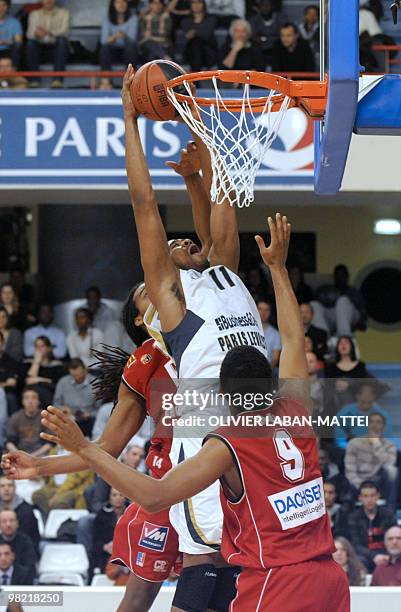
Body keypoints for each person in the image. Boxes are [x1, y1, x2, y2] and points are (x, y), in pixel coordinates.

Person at [39, 214, 350, 611]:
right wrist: (277, 268)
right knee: (146, 592)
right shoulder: (294, 409)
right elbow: (292, 341)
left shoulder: (227, 432)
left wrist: (82, 447)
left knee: (197, 576)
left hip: (238, 529)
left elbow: (211, 245)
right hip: (318, 569)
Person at [117, 65, 267, 611]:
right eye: (175, 245)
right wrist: (130, 122)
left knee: (246, 562)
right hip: (207, 438)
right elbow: (144, 206)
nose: (182, 241)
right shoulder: (174, 303)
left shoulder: (224, 269)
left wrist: (204, 119)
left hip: (255, 431)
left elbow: (222, 208)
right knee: (210, 562)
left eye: (188, 238)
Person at [2, 284, 180, 612]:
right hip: (170, 487)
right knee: (140, 599)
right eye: (146, 290)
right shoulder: (147, 360)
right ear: (141, 319)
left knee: (217, 589)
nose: (159, 287)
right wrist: (40, 467)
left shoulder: (211, 337)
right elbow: (105, 447)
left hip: (216, 479)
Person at [345, 412, 398, 511]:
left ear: (384, 427)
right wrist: (362, 487)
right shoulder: (354, 443)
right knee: (348, 482)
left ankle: (391, 512)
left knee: (393, 471)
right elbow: (350, 470)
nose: (375, 425)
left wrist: (376, 443)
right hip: (357, 482)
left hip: (379, 482)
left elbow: (389, 464)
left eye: (378, 422)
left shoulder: (390, 445)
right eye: (371, 422)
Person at [348, 481, 395, 572]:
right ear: (360, 498)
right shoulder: (354, 517)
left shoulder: (388, 514)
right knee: (359, 560)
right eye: (365, 496)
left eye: (372, 495)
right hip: (365, 556)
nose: (369, 500)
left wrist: (386, 555)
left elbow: (394, 538)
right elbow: (356, 545)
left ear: (378, 496)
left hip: (386, 553)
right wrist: (374, 556)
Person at [312, 264, 367, 336]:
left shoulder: (354, 291)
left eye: (342, 275)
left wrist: (360, 325)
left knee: (342, 301)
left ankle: (344, 337)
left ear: (347, 276)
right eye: (338, 275)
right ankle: (323, 337)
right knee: (314, 304)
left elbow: (362, 311)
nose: (340, 278)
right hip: (333, 317)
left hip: (351, 317)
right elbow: (318, 299)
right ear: (334, 277)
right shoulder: (326, 290)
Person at [25, 0, 70, 89]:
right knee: (30, 43)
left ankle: (57, 80)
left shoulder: (64, 13)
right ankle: (34, 80)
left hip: (57, 49)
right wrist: (36, 34)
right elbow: (29, 34)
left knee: (62, 41)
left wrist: (48, 32)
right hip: (40, 48)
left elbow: (64, 32)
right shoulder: (34, 14)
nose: (48, 1)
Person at [334, 382, 390, 450]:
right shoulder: (344, 413)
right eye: (363, 402)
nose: (366, 406)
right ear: (358, 397)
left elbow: (387, 439)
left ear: (374, 398)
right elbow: (340, 440)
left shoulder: (382, 415)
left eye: (370, 402)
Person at [99, 0, 139, 91]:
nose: (121, 4)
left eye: (123, 2)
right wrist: (116, 36)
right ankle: (106, 80)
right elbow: (103, 41)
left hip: (128, 51)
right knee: (105, 48)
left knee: (131, 46)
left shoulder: (133, 18)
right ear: (113, 5)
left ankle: (131, 80)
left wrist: (122, 36)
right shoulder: (107, 19)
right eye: (118, 2)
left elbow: (132, 39)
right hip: (112, 51)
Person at [53, 359, 98, 436]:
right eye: (74, 376)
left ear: (85, 370)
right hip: (69, 417)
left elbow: (101, 409)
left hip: (89, 419)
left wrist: (90, 414)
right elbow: (56, 403)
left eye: (79, 375)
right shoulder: (63, 382)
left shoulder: (96, 383)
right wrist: (62, 408)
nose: (77, 378)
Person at [6, 387, 52, 457]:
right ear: (22, 401)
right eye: (27, 398)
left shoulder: (44, 416)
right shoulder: (15, 417)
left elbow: (49, 443)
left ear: (38, 401)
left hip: (41, 455)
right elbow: (9, 442)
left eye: (33, 398)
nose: (30, 401)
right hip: (20, 455)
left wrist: (33, 457)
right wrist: (20, 455)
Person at [20, 336, 65, 407]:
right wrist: (36, 362)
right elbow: (29, 381)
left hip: (49, 394)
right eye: (36, 346)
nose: (39, 349)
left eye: (42, 346)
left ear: (49, 348)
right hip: (31, 395)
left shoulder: (56, 365)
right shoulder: (27, 363)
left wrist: (39, 379)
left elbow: (56, 384)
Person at [0, 476, 40, 554]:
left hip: (22, 553)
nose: (6, 489)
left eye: (9, 485)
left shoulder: (26, 511)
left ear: (15, 488)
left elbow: (26, 538)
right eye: (2, 486)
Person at [92, 488, 127, 573]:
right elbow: (95, 540)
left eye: (121, 495)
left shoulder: (133, 513)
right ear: (109, 498)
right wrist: (105, 547)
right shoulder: (101, 515)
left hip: (127, 551)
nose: (118, 498)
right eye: (114, 495)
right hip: (107, 553)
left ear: (125, 497)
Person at [0, 510, 37, 580]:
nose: (8, 524)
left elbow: (30, 568)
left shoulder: (26, 542)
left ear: (17, 523)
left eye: (11, 521)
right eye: (4, 521)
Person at [250, 0, 288, 67]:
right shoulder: (254, 19)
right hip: (259, 49)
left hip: (277, 48)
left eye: (267, 5)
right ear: (259, 7)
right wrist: (271, 39)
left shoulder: (281, 18)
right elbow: (252, 36)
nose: (265, 8)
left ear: (272, 7)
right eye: (263, 6)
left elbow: (283, 35)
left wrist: (263, 39)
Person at [181, 0, 217, 72]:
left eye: (199, 2)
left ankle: (195, 77)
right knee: (195, 43)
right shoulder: (185, 21)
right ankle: (196, 75)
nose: (196, 5)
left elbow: (207, 34)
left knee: (196, 41)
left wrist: (194, 32)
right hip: (190, 53)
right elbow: (186, 38)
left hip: (207, 53)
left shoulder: (211, 19)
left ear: (203, 4)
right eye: (193, 2)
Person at [257, 299, 281, 368]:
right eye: (260, 309)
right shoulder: (249, 329)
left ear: (270, 312)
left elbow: (275, 359)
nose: (263, 313)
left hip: (268, 370)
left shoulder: (276, 334)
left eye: (267, 310)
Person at [0, 330, 18, 415]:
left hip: (5, 393)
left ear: (3, 343)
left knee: (11, 398)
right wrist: (4, 383)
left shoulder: (10, 361)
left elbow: (12, 383)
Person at [0, 0, 22, 68]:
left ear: (8, 7)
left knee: (17, 46)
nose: (1, 8)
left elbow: (18, 40)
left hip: (9, 50)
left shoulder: (14, 22)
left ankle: (13, 72)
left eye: (4, 5)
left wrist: (4, 42)